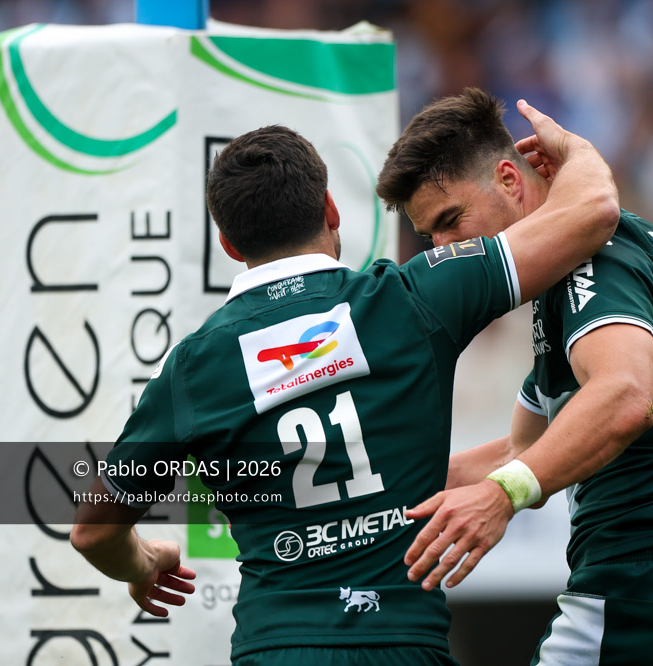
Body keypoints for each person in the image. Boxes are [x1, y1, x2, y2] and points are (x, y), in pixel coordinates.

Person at [70, 100, 620, 666]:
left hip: (275, 648)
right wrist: (573, 148)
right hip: (405, 646)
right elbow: (594, 208)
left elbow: (92, 533)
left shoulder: (191, 370)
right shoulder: (412, 299)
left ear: (230, 246)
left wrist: (143, 564)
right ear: (332, 211)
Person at [377, 88, 653, 665]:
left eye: (451, 221)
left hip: (649, 592)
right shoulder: (567, 293)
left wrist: (502, 497)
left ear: (509, 179)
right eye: (430, 238)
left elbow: (624, 397)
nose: (444, 250)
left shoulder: (594, 256)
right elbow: (523, 447)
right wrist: (362, 494)